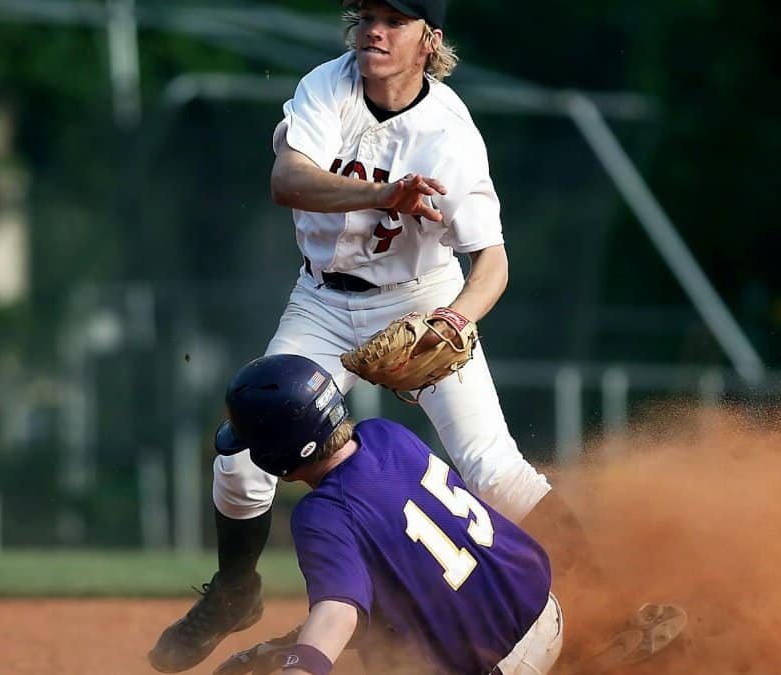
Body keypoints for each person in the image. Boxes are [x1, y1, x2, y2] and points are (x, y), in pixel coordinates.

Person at [149, 0, 664, 671]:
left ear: (430, 39)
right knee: (244, 455)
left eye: (395, 19)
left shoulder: (450, 133)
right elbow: (286, 180)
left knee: (492, 465)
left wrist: (454, 318)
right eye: (367, 15)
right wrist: (380, 195)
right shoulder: (326, 86)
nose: (375, 30)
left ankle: (616, 610)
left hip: (419, 299)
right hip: (322, 301)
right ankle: (234, 589)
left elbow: (493, 262)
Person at [208, 354, 564, 675]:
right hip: (547, 614)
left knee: (389, 661)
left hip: (499, 664)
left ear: (275, 454)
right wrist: (280, 650)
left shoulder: (320, 514)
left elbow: (339, 611)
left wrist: (299, 669)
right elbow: (391, 588)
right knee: (387, 633)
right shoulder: (386, 434)